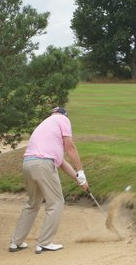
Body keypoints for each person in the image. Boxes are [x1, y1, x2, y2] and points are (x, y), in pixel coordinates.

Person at [9, 107, 89, 254]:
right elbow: (70, 147)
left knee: (33, 203)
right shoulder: (63, 120)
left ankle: (16, 242)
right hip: (43, 164)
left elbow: (62, 163)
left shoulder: (46, 124)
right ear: (65, 114)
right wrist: (81, 171)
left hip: (28, 164)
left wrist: (78, 179)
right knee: (56, 202)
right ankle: (45, 242)